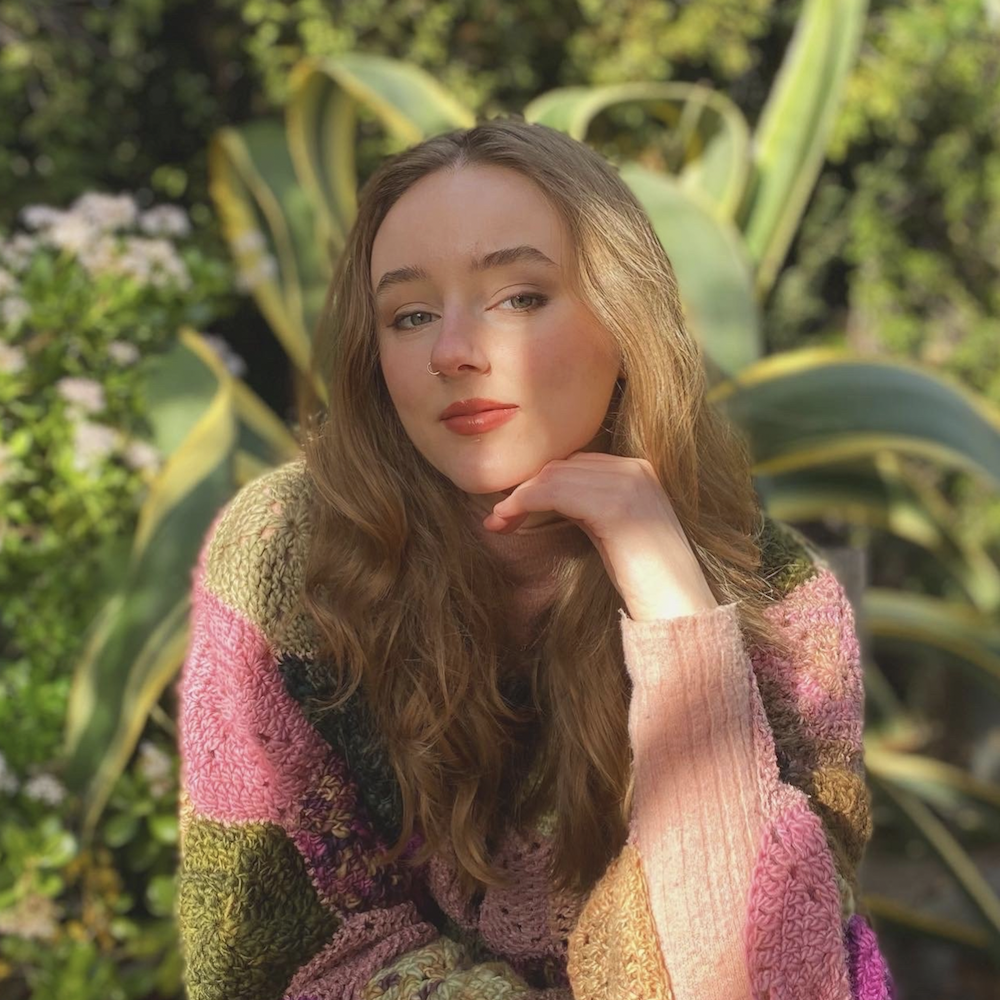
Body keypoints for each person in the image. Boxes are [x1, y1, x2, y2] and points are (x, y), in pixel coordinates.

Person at [175, 116, 896, 999]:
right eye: (409, 314)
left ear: (622, 317)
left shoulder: (779, 598)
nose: (451, 351)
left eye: (519, 297)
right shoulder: (290, 554)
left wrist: (675, 608)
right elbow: (270, 951)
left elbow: (767, 975)